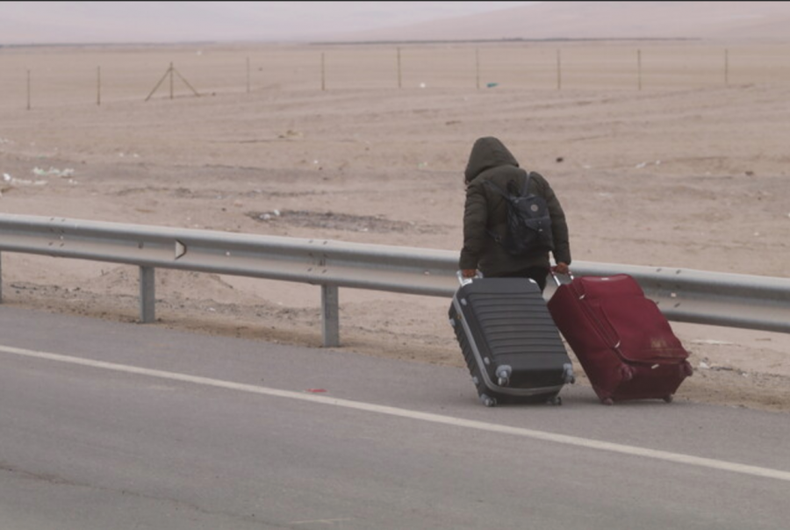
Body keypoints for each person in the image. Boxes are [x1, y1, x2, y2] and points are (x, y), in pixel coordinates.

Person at [459, 136, 571, 292]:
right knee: (530, 311)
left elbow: (474, 226)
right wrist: (562, 258)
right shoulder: (534, 179)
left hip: (499, 266)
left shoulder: (479, 185)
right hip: (536, 264)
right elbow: (557, 219)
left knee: (506, 313)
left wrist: (468, 263)